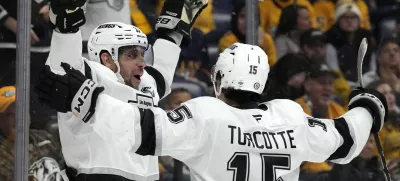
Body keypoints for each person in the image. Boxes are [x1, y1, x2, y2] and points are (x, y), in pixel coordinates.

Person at [38, 42, 388, 181]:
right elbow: (346, 139)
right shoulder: (291, 116)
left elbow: (143, 130)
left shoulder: (207, 115)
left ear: (218, 80)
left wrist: (86, 99)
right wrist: (369, 106)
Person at [36, 0, 208, 180]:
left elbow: (162, 71)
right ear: (107, 59)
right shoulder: (91, 76)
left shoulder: (146, 83)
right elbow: (61, 70)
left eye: (142, 54)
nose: (141, 63)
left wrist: (174, 29)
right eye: (132, 55)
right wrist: (65, 27)